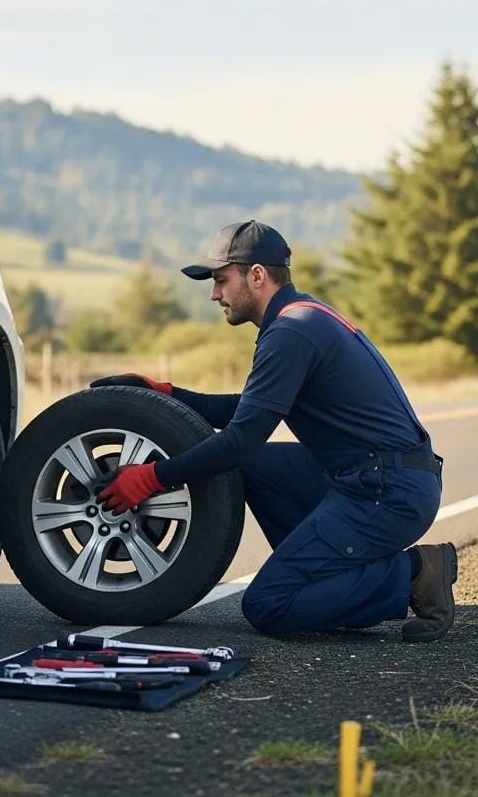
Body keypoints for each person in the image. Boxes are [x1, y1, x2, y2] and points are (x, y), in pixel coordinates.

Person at [91, 220, 457, 642]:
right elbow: (248, 412)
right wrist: (167, 393)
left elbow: (242, 438)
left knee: (269, 604)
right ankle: (327, 572)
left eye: (221, 280)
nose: (214, 294)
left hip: (386, 491)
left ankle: (415, 573)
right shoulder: (301, 317)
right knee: (252, 467)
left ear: (257, 275)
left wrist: (152, 478)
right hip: (370, 475)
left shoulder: (292, 332)